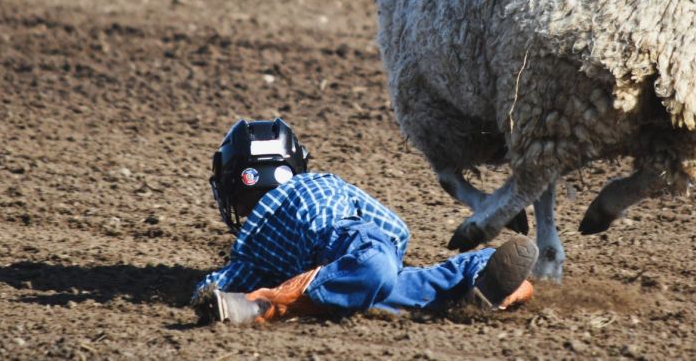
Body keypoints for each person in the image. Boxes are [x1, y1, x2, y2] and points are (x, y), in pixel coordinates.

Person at [190, 118, 539, 324]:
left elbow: (216, 288)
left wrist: (208, 295)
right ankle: (483, 277)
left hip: (345, 250)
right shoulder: (322, 183)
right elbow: (396, 229)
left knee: (371, 274)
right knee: (382, 281)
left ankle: (268, 304)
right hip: (356, 242)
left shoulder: (253, 245)